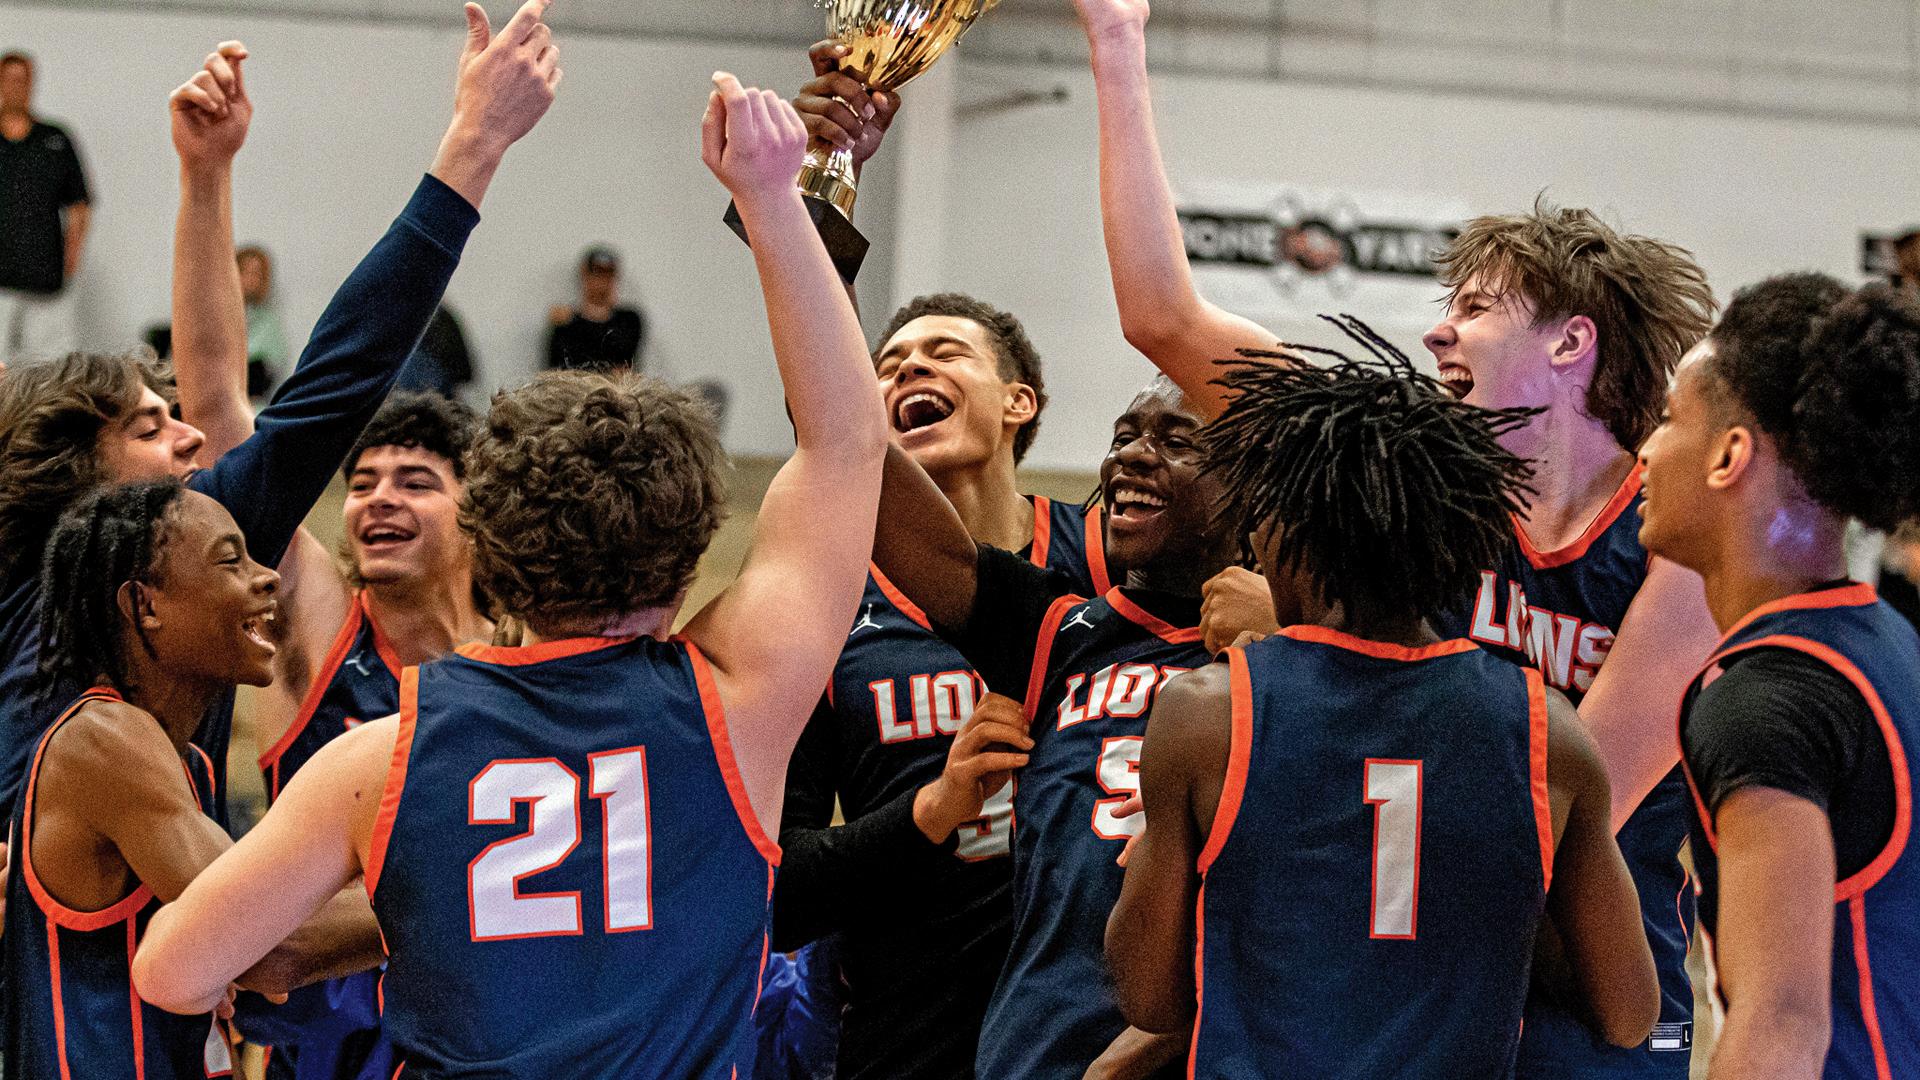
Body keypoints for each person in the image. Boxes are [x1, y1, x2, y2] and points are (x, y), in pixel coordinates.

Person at [133, 71, 890, 1078]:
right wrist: (771, 198)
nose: (382, 501)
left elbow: (171, 970)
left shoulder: (380, 756)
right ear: (691, 557)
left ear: (482, 541)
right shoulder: (740, 700)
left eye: (417, 481)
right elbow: (847, 443)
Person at [1070, 1, 1722, 1070]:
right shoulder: (1404, 479)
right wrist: (1116, 43)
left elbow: (1546, 800)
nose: (1434, 329)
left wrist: (1301, 645)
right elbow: (1164, 318)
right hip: (1409, 971)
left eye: (1473, 307)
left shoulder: (1673, 530)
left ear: (1570, 343)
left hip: (1581, 979)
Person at [1107, 335, 1659, 1076]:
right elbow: (1628, 1013)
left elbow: (1148, 997)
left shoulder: (1209, 713)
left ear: (1291, 534)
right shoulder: (1546, 729)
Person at [768, 45, 1107, 1080]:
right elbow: (776, 892)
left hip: (1093, 1038)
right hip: (904, 1043)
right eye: (885, 366)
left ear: (1020, 403)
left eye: (945, 352)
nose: (908, 365)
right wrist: (927, 815)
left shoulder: (1104, 560)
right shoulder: (829, 604)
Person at [869, 369, 1239, 1079]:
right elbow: (857, 463)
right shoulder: (1056, 630)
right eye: (1124, 436)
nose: (1132, 455)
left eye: (1177, 442)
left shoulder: (1286, 661)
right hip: (1035, 1049)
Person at [1638, 275, 1920, 1079]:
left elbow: (1782, 1028)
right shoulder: (1884, 638)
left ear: (1730, 456)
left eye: (1669, 419)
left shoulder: (1762, 700)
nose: (1646, 451)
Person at [7, 479, 385, 1079]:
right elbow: (272, 946)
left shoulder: (188, 764)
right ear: (146, 606)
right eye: (231, 562)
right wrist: (441, 895)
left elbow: (262, 957)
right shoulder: (102, 739)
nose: (268, 578)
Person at [0, 50, 90, 360]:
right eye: (9, 80)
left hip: (44, 276)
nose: (16, 87)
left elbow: (79, 205)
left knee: (48, 364)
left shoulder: (55, 139)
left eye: (22, 80)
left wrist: (72, 257)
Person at [546, 246, 645, 371]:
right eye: (597, 273)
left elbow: (623, 357)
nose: (602, 281)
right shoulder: (565, 321)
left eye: (608, 274)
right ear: (584, 274)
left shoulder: (628, 320)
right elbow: (559, 365)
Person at [237, 245, 289, 398]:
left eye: (256, 274)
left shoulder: (268, 322)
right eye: (245, 272)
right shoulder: (215, 316)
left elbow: (273, 366)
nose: (250, 279)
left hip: (254, 401)